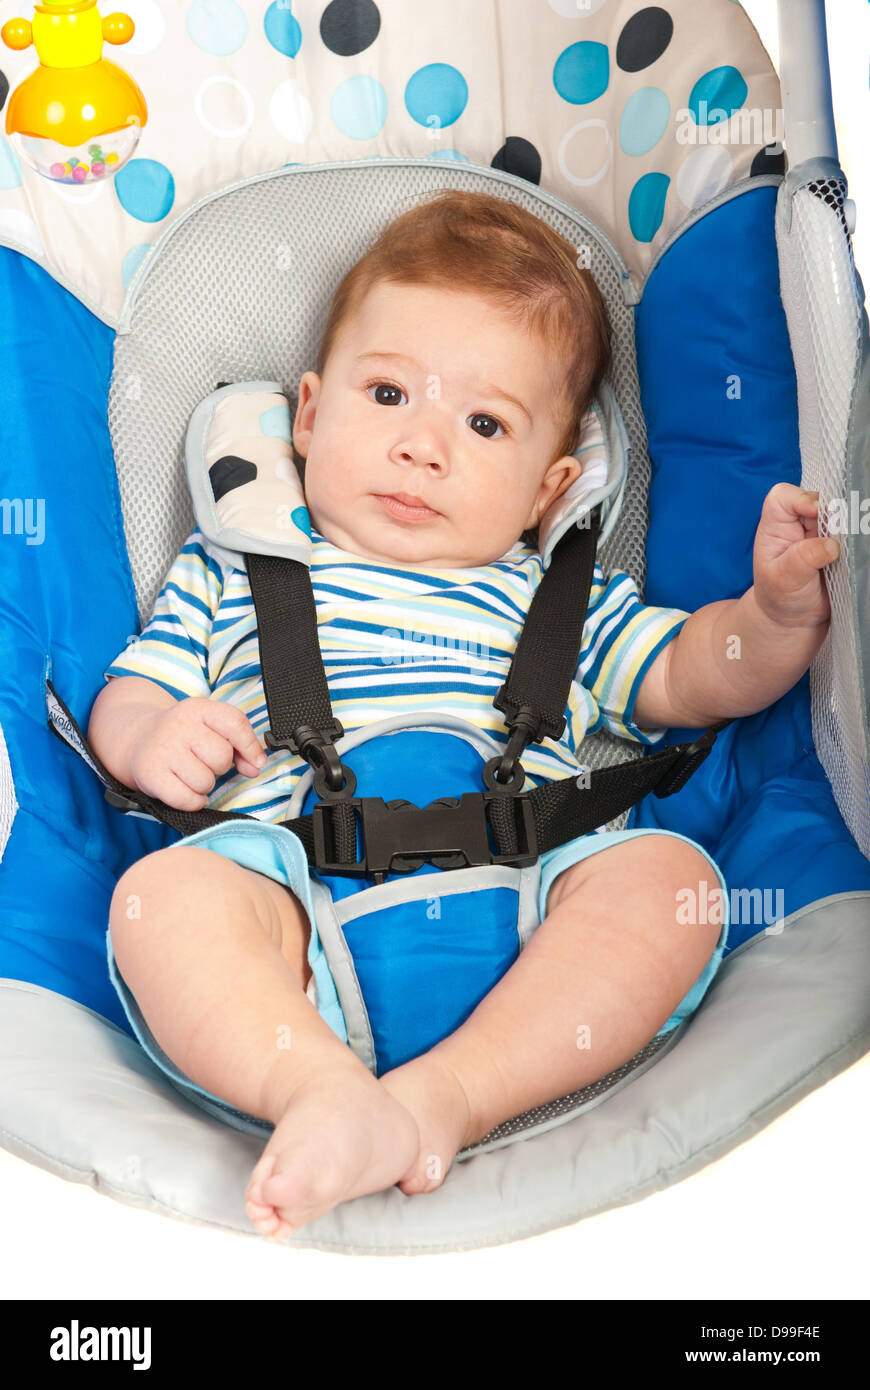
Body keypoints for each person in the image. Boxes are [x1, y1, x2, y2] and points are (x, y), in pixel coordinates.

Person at [87, 190, 838, 1240]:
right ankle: (313, 1083)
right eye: (388, 394)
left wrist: (767, 617)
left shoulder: (553, 600)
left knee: (673, 885)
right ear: (308, 415)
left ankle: (448, 1096)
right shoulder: (235, 570)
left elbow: (688, 678)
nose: (423, 446)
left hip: (536, 905)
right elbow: (129, 695)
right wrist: (152, 735)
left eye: (484, 423)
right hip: (292, 914)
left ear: (549, 487)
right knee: (158, 900)